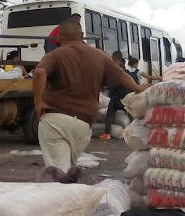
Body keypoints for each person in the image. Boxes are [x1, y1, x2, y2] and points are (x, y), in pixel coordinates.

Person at [34, 18, 148, 173]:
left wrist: (38, 102)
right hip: (83, 124)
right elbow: (121, 75)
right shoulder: (99, 56)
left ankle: (65, 192)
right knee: (68, 169)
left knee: (58, 174)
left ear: (59, 38)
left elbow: (39, 72)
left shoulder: (55, 55)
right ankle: (70, 191)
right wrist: (136, 87)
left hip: (55, 121)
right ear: (81, 35)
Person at [99, 51, 134, 140]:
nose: (112, 61)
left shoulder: (116, 70)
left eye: (113, 59)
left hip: (117, 97)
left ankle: (107, 133)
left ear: (117, 59)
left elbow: (112, 84)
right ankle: (134, 131)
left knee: (110, 114)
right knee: (131, 114)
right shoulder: (125, 70)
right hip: (126, 97)